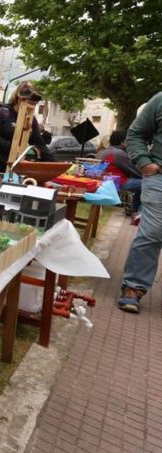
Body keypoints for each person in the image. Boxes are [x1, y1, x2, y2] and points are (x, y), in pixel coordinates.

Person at [118, 91, 162, 313]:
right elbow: (136, 133)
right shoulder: (160, 100)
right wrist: (144, 162)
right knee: (152, 232)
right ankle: (134, 287)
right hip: (159, 177)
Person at [0, 81, 55, 179]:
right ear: (20, 99)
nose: (32, 108)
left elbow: (39, 144)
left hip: (14, 170)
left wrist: (55, 165)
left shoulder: (31, 119)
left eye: (35, 105)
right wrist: (12, 147)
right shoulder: (2, 114)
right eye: (30, 103)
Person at [100, 130, 142, 218]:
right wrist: (148, 175)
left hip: (106, 180)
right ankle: (135, 211)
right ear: (122, 142)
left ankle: (133, 209)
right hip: (117, 182)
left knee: (141, 183)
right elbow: (133, 170)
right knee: (146, 183)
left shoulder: (104, 151)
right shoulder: (118, 153)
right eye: (127, 140)